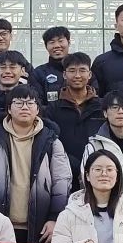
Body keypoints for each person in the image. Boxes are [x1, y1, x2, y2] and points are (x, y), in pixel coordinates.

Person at [0, 85, 71, 243]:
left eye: (30, 103)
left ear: (38, 109)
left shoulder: (51, 142)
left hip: (41, 225)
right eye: (18, 103)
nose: (25, 107)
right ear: (9, 109)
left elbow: (62, 182)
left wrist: (55, 218)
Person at [47, 52, 103, 185]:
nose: (77, 75)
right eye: (72, 71)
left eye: (82, 70)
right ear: (64, 74)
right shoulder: (53, 108)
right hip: (63, 171)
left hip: (98, 170)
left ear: (90, 74)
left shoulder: (102, 107)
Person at [32, 25, 71, 103]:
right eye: (52, 42)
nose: (56, 46)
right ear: (46, 46)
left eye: (60, 41)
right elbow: (37, 103)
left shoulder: (82, 69)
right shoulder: (38, 73)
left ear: (69, 42)